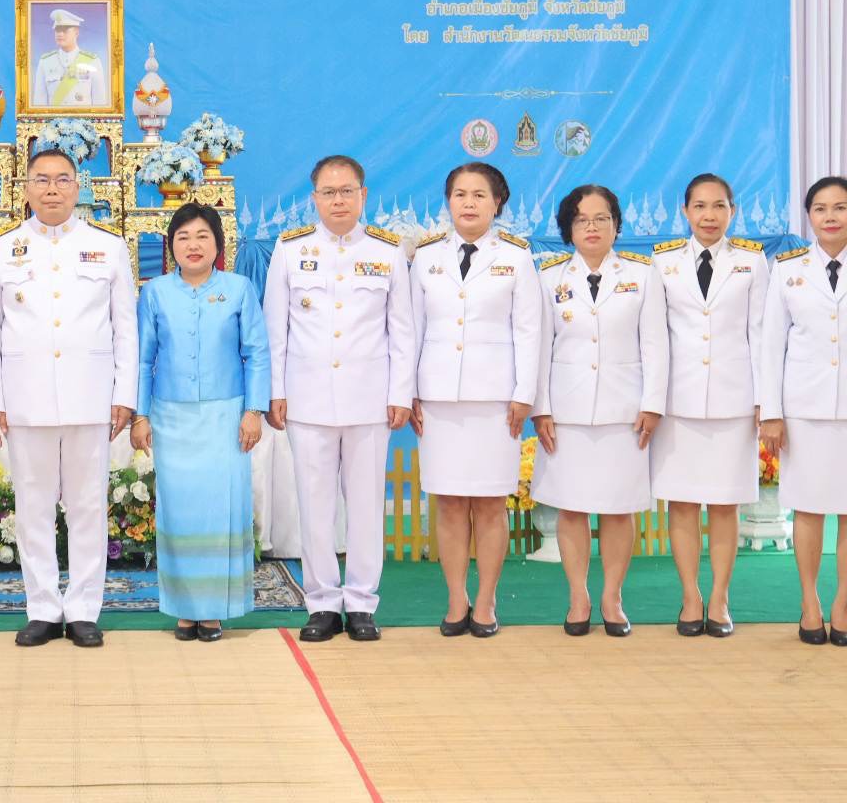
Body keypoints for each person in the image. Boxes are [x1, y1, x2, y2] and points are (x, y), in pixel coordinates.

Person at [0, 148, 136, 648]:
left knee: (88, 506)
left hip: (91, 397)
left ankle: (85, 609)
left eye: (62, 179)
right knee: (33, 509)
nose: (52, 189)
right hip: (25, 400)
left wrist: (125, 393)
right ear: (25, 188)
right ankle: (43, 608)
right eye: (42, 180)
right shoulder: (0, 249)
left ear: (78, 186)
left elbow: (125, 328)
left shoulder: (108, 247)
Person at [263, 155, 413, 643]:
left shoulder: (387, 251)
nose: (338, 201)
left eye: (347, 191)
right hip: (307, 399)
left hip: (370, 400)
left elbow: (402, 330)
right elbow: (276, 328)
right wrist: (276, 391)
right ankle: (323, 602)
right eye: (328, 193)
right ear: (314, 199)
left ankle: (363, 602)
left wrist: (401, 392)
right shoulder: (290, 250)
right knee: (315, 506)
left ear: (363, 195)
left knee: (366, 506)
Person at [410, 162, 540, 638]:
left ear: (497, 203)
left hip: (495, 401)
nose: (468, 203)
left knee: (489, 504)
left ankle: (485, 601)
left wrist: (524, 393)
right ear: (448, 201)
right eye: (460, 194)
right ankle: (455, 599)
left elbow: (529, 331)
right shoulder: (425, 257)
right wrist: (409, 390)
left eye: (479, 195)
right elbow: (411, 329)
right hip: (438, 398)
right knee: (447, 502)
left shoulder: (517, 258)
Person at [531, 186, 667, 637]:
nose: (591, 227)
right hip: (566, 412)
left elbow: (655, 344)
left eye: (601, 218)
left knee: (617, 508)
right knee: (571, 508)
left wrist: (652, 404)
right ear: (568, 228)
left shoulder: (642, 275)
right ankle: (578, 597)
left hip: (624, 412)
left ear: (616, 225)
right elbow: (539, 348)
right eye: (581, 219)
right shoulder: (548, 277)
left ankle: (612, 596)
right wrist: (541, 408)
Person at [133, 203, 268, 640]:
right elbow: (143, 359)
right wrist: (140, 415)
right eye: (183, 237)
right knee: (178, 513)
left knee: (220, 511)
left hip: (226, 418)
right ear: (171, 246)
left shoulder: (239, 289)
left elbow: (256, 353)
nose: (193, 245)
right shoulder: (155, 293)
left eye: (202, 236)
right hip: (171, 418)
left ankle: (213, 612)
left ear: (218, 244)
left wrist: (254, 410)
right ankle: (183, 609)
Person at [650, 173, 767, 637]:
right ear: (685, 211)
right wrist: (653, 400)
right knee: (681, 504)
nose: (709, 216)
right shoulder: (662, 263)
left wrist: (764, 401)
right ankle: (690, 596)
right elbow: (654, 338)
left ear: (732, 211)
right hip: (678, 402)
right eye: (699, 206)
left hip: (734, 402)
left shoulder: (752, 262)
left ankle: (719, 598)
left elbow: (760, 334)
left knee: (724, 504)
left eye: (719, 206)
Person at [759, 175, 847, 645]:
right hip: (805, 410)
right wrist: (771, 412)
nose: (831, 217)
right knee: (809, 509)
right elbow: (771, 345)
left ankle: (843, 604)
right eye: (821, 208)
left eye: (840, 207)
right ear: (809, 216)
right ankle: (810, 602)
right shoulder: (787, 269)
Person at [32, 9, 107, 108]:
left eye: (65, 30)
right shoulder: (45, 62)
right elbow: (39, 103)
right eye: (57, 30)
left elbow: (100, 103)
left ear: (76, 33)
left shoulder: (92, 61)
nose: (60, 34)